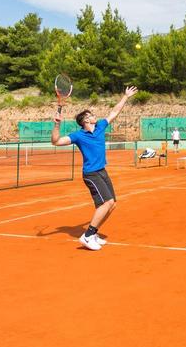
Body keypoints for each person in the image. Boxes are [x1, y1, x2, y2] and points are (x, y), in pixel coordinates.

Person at [51, 86, 138, 250]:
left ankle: (93, 232)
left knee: (111, 205)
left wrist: (126, 96)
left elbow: (114, 112)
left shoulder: (100, 128)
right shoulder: (78, 135)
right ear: (85, 121)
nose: (94, 116)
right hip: (91, 174)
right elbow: (55, 142)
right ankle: (88, 235)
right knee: (107, 203)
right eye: (91, 115)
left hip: (102, 171)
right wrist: (56, 125)